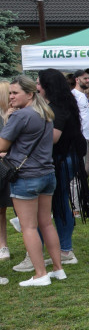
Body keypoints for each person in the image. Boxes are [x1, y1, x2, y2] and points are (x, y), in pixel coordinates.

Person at [0, 75, 63, 286]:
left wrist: (8, 119)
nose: (11, 97)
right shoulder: (45, 113)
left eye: (15, 92)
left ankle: (40, 274)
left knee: (29, 227)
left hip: (26, 176)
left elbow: (2, 145)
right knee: (46, 223)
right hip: (47, 174)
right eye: (10, 93)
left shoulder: (21, 115)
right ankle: (57, 269)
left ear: (30, 94)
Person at [38, 68, 89, 265]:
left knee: (58, 204)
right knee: (60, 203)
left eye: (38, 84)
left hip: (62, 160)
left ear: (47, 86)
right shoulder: (65, 104)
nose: (36, 87)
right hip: (67, 158)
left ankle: (64, 250)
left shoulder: (57, 107)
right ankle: (64, 249)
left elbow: (54, 137)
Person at [0, 82, 12, 263]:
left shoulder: (19, 115)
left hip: (17, 168)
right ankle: (2, 245)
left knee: (23, 211)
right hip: (3, 169)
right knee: (0, 210)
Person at [71, 69, 89, 144]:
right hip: (78, 137)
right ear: (77, 80)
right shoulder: (73, 95)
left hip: (84, 137)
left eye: (88, 78)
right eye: (85, 78)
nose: (88, 80)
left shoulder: (83, 95)